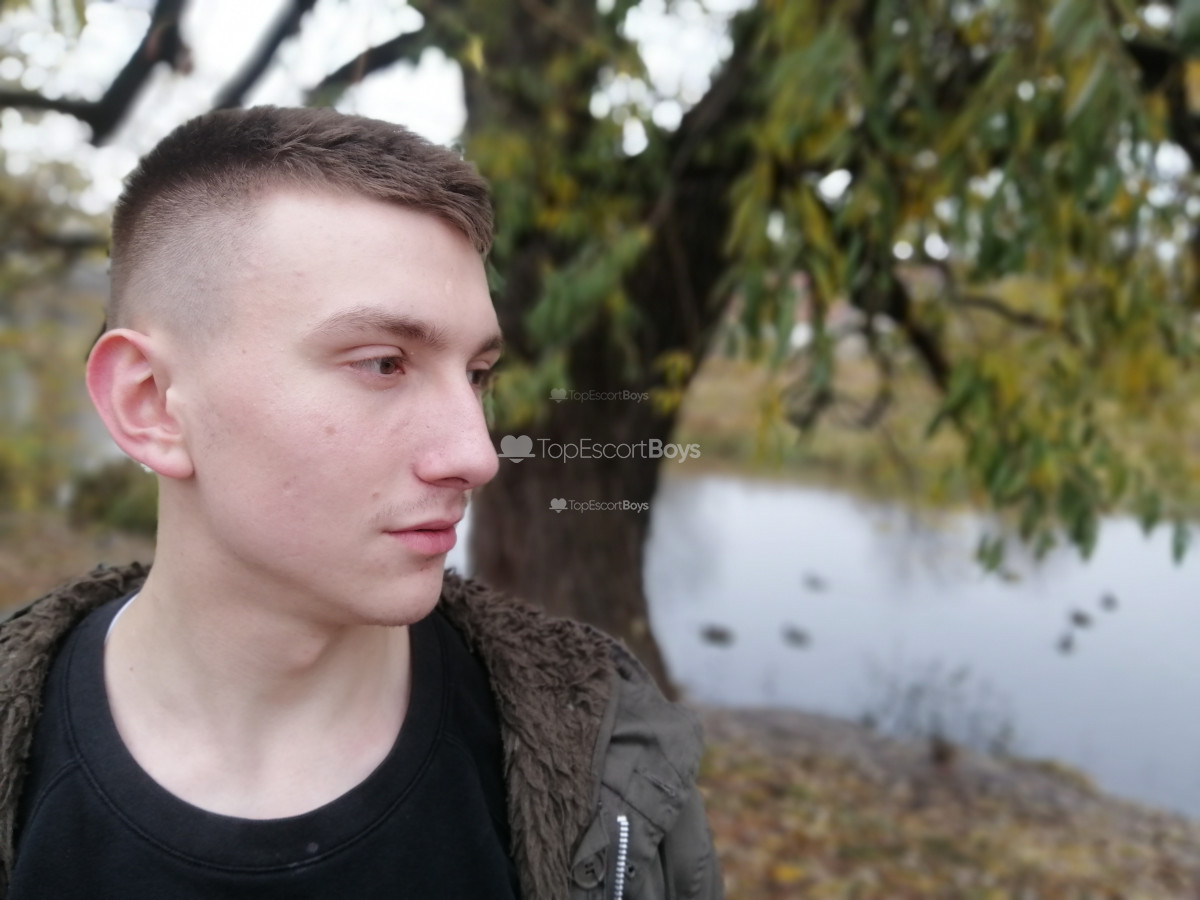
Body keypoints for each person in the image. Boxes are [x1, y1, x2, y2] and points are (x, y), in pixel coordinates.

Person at [0, 106, 721, 899]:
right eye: (384, 364)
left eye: (477, 374)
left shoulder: (611, 766)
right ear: (151, 404)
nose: (477, 455)